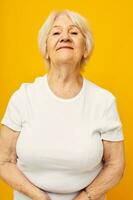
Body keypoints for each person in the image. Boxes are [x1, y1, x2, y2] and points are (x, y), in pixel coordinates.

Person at [0, 9, 125, 200]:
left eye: (74, 32)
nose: (65, 37)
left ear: (85, 49)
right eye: (56, 32)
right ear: (46, 49)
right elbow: (4, 161)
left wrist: (85, 197)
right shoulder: (23, 96)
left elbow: (116, 165)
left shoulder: (104, 101)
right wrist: (40, 197)